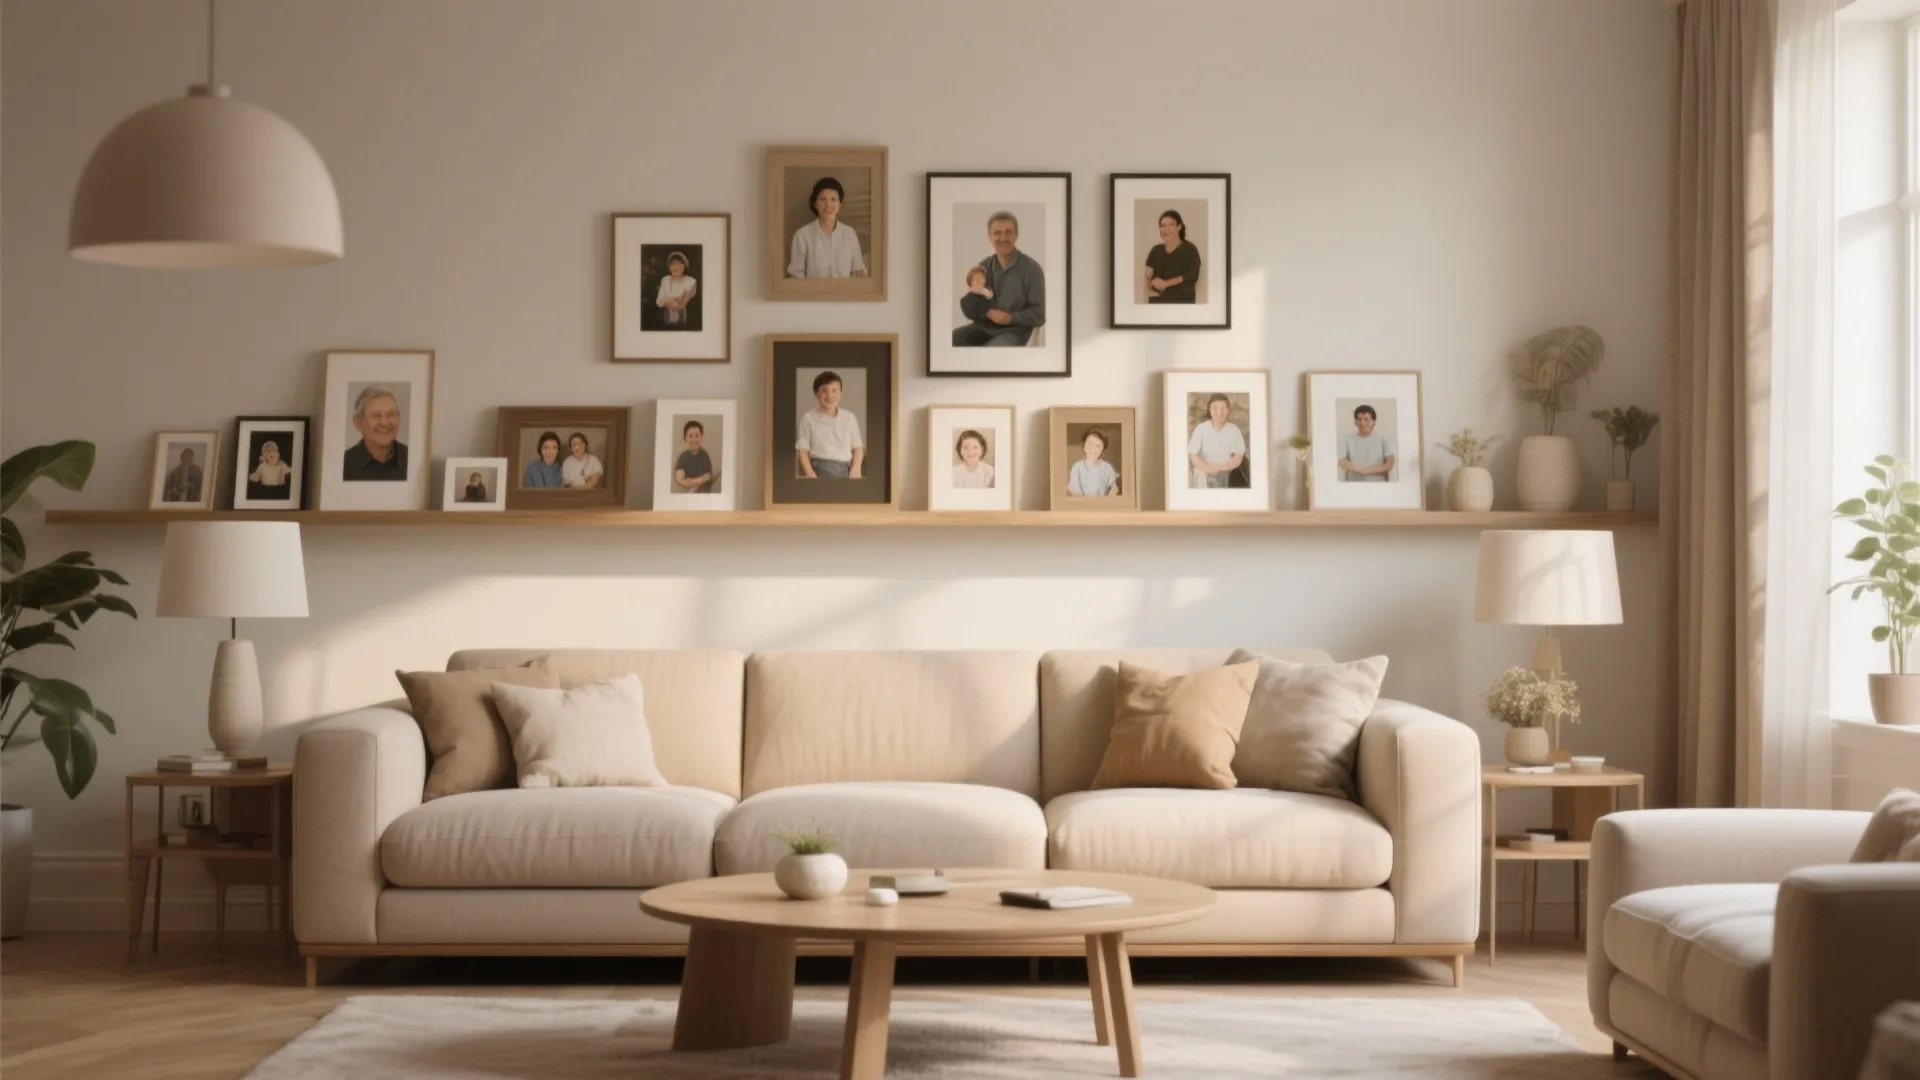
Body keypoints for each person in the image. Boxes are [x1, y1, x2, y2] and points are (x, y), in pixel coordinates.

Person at [953, 211, 1046, 347]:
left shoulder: (1032, 269)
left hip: (1015, 330)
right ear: (990, 237)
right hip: (984, 327)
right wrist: (972, 304)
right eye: (997, 233)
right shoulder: (983, 266)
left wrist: (1009, 318)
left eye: (1009, 232)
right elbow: (975, 303)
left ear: (1016, 235)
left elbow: (1039, 314)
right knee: (954, 338)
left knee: (990, 352)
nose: (1003, 238)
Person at [787, 176, 867, 278]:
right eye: (823, 199)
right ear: (815, 203)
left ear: (840, 204)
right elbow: (796, 276)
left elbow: (858, 272)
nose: (828, 204)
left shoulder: (850, 234)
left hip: (845, 293)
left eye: (833, 199)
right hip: (812, 293)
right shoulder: (802, 235)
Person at [795, 370, 863, 479]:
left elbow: (857, 448)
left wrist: (856, 468)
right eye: (824, 391)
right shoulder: (808, 418)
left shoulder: (849, 418)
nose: (829, 395)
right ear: (817, 393)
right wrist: (810, 473)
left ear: (840, 392)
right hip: (819, 470)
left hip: (845, 470)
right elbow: (803, 451)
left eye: (834, 390)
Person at [342, 386, 407, 481]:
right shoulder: (345, 463)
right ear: (358, 423)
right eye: (376, 416)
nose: (385, 423)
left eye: (391, 415)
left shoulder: (412, 458)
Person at [1187, 393, 1246, 489]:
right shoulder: (1201, 429)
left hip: (1226, 472)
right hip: (1203, 472)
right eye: (1215, 408)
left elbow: (1238, 457)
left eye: (1223, 408)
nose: (1219, 412)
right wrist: (1206, 468)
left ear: (1227, 410)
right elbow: (1193, 455)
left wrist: (1220, 468)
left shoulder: (1234, 430)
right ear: (1209, 410)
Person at [1143, 209, 1201, 304]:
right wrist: (1150, 290)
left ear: (1179, 227)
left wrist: (1166, 284)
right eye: (1163, 225)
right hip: (1156, 306)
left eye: (1171, 225)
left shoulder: (1190, 249)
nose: (1166, 229)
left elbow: (1192, 275)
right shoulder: (1156, 250)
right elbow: (1147, 275)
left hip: (1182, 304)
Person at [1338, 404, 1396, 482]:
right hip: (1352, 486)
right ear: (1355, 422)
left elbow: (1390, 464)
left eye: (1366, 419)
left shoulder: (1385, 439)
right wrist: (1361, 469)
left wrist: (1366, 471)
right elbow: (1341, 461)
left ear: (1374, 422)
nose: (1362, 423)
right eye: (1359, 419)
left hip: (1378, 486)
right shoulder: (1346, 439)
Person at [1067, 429, 1119, 496]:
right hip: (1082, 504)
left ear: (1102, 449)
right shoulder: (1077, 467)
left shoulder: (1107, 467)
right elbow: (1074, 491)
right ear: (1084, 446)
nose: (1093, 448)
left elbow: (1113, 487)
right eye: (1090, 443)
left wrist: (1112, 492)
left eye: (1098, 446)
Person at [655, 251, 697, 327]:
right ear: (669, 266)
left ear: (685, 266)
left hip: (684, 322)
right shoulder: (665, 280)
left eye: (679, 264)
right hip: (666, 321)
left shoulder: (690, 281)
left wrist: (668, 301)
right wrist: (668, 302)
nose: (676, 267)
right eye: (673, 264)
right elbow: (658, 301)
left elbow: (683, 304)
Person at [674, 419, 716, 493]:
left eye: (697, 435)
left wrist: (692, 482)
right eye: (690, 436)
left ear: (701, 437)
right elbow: (679, 479)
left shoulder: (704, 455)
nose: (694, 439)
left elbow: (708, 476)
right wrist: (700, 480)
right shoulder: (682, 457)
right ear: (685, 438)